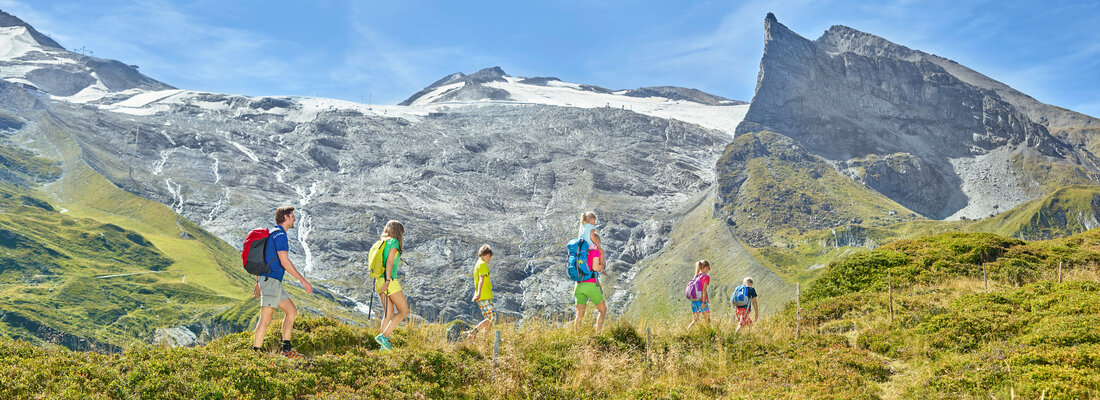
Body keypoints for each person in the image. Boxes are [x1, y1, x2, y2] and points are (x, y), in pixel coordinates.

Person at [252, 206, 313, 357]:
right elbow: (285, 262)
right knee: (265, 318)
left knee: (291, 311)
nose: (294, 219)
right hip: (271, 281)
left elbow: (263, 259)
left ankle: (286, 350)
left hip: (270, 281)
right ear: (285, 217)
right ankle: (255, 356)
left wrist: (258, 281)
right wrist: (303, 281)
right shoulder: (280, 236)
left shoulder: (272, 233)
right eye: (292, 216)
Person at [374, 220, 407, 351]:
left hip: (379, 281)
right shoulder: (393, 242)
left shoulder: (381, 242)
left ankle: (383, 347)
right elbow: (389, 262)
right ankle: (384, 337)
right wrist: (388, 281)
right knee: (403, 311)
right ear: (398, 232)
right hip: (389, 281)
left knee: (388, 313)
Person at [574, 229, 607, 334]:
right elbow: (595, 267)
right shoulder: (595, 252)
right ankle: (598, 334)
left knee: (579, 314)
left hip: (578, 285)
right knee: (602, 310)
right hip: (590, 285)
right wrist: (603, 265)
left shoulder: (580, 253)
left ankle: (577, 336)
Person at [467, 244, 495, 340]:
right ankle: (473, 332)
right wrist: (479, 294)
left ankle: (485, 340)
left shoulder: (477, 264)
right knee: (491, 318)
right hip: (484, 295)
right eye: (489, 258)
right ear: (488, 255)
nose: (489, 260)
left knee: (489, 319)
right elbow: (481, 279)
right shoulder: (483, 264)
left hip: (483, 296)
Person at [687, 260, 711, 330]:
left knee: (695, 320)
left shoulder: (696, 276)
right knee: (708, 321)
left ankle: (687, 331)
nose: (709, 270)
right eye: (709, 268)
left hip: (694, 301)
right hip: (701, 301)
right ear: (705, 267)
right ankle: (709, 335)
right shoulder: (705, 277)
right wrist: (703, 303)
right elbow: (704, 290)